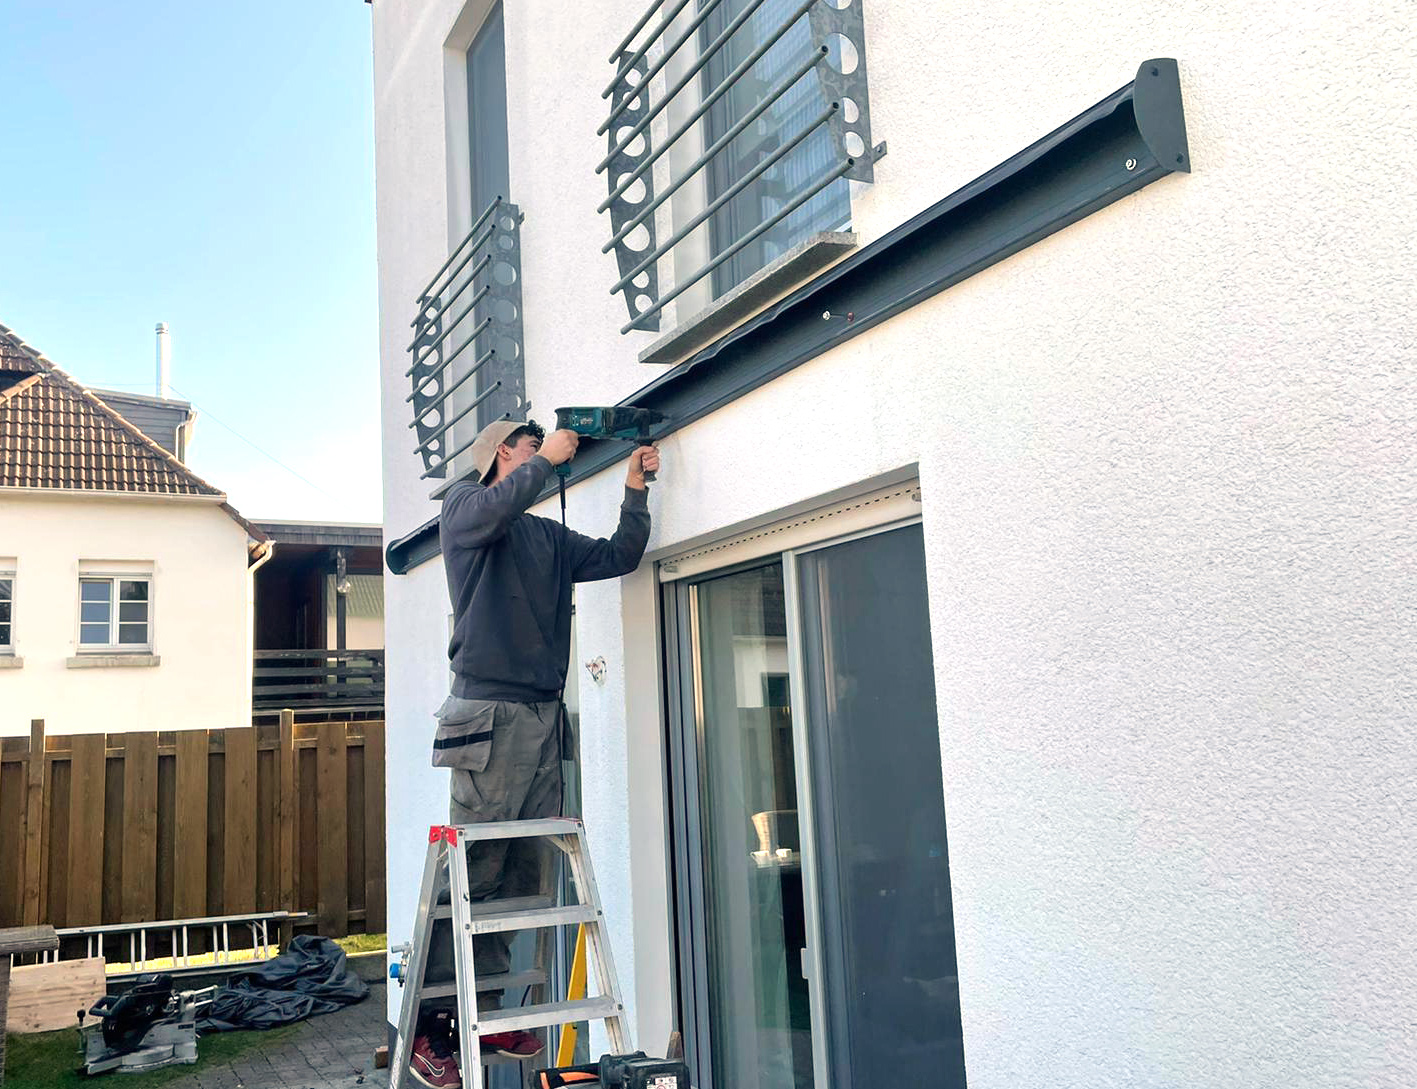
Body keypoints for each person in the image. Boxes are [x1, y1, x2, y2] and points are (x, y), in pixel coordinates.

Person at [411, 417, 658, 1082]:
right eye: (530, 444)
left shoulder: (545, 536)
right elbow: (494, 508)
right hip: (488, 711)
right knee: (475, 873)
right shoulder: (464, 507)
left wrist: (634, 489)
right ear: (503, 454)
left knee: (520, 875)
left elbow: (617, 557)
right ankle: (434, 1025)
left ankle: (486, 1008)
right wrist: (545, 462)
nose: (545, 450)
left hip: (542, 717)